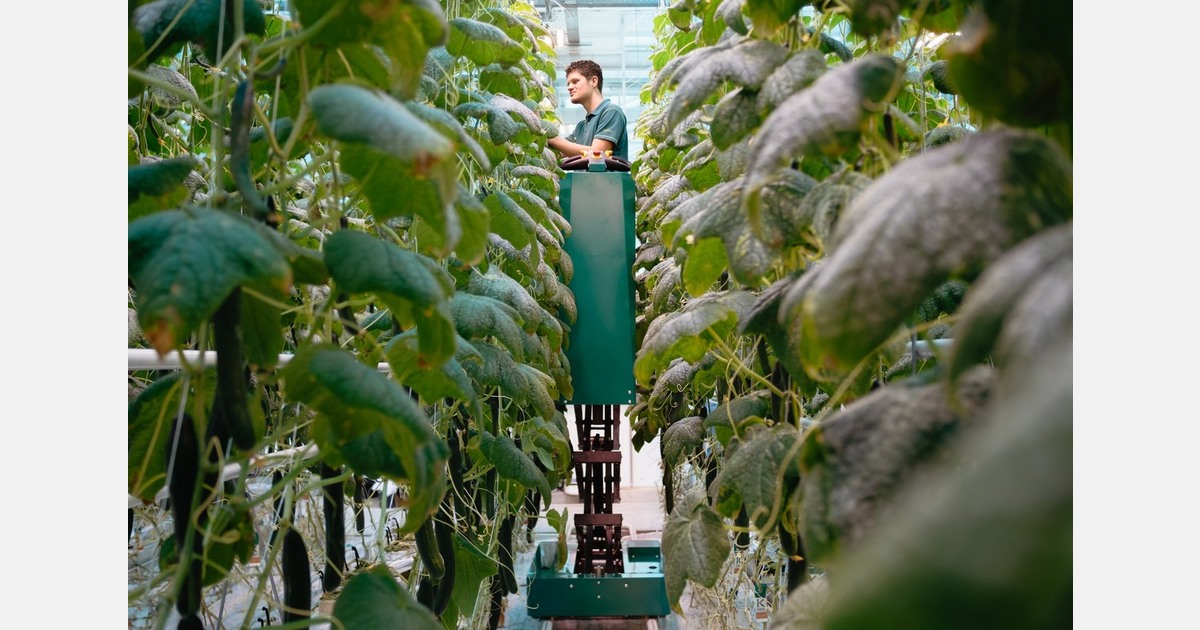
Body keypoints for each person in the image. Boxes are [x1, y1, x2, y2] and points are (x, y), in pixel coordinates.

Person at [548, 60, 629, 162]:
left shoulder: (612, 112)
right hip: (587, 179)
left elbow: (597, 153)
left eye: (575, 81)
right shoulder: (581, 127)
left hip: (610, 179)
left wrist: (553, 140)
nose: (569, 87)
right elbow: (557, 152)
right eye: (568, 83)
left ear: (594, 81)